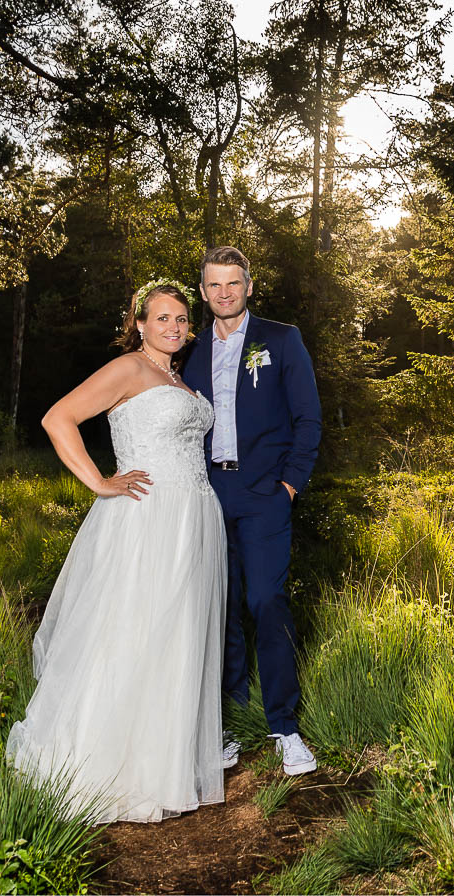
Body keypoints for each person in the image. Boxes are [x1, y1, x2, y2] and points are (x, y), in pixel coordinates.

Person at [5, 280, 226, 823]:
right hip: (146, 518)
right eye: (161, 318)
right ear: (140, 323)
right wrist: (99, 482)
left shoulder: (179, 378)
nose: (173, 327)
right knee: (129, 631)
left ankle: (160, 762)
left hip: (193, 518)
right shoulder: (128, 369)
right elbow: (57, 419)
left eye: (180, 319)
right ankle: (97, 763)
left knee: (175, 638)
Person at [181, 246, 322, 776]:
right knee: (220, 607)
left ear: (249, 285)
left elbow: (308, 418)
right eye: (214, 285)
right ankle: (228, 720)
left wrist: (289, 485)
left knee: (266, 601)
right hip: (208, 492)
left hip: (265, 492)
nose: (224, 293)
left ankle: (284, 726)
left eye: (232, 284)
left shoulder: (282, 339)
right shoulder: (189, 350)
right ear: (203, 291)